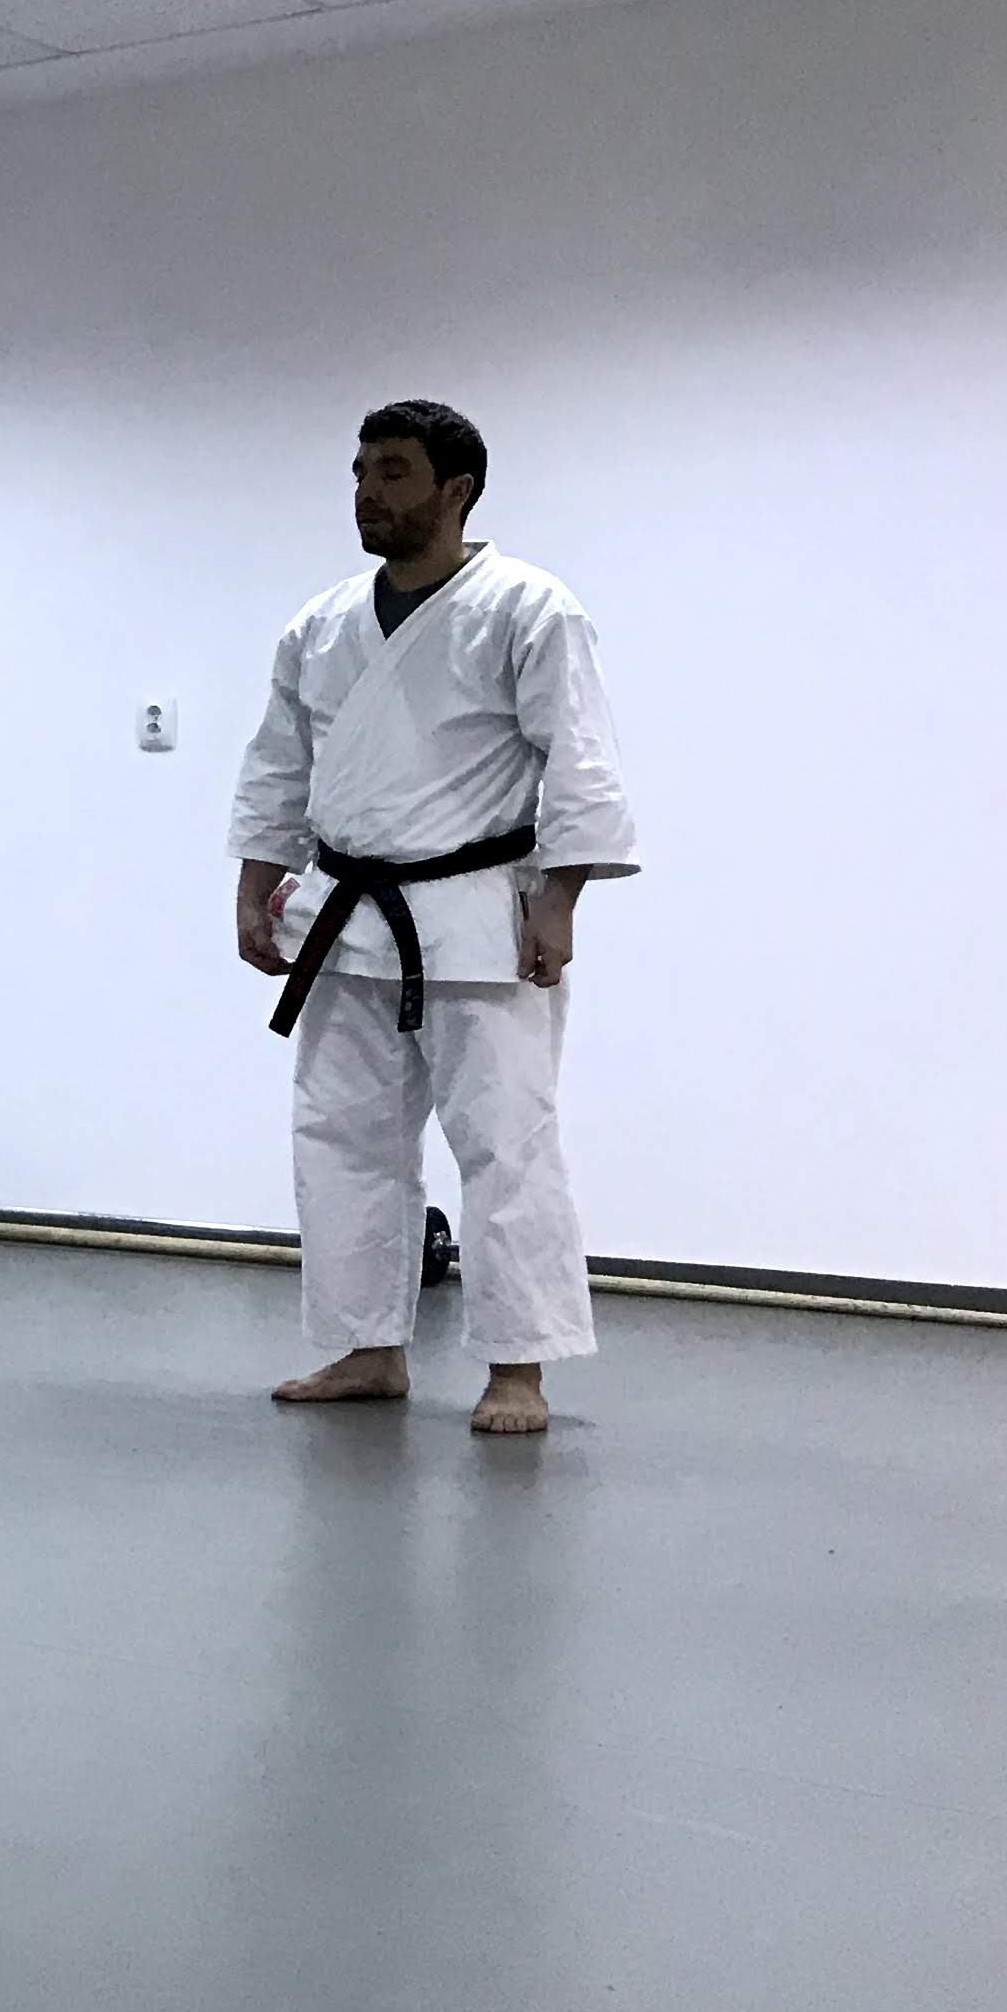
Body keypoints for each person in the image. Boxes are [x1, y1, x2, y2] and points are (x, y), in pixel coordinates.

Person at [228, 401, 638, 1435]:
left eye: (394, 472)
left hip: (478, 919)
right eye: (361, 471)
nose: (368, 492)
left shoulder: (529, 608)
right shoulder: (321, 624)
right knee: (341, 1139)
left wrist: (560, 898)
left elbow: (579, 760)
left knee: (506, 1145)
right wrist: (256, 884)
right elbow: (278, 764)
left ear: (457, 491)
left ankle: (518, 1367)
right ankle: (367, 1348)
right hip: (342, 918)